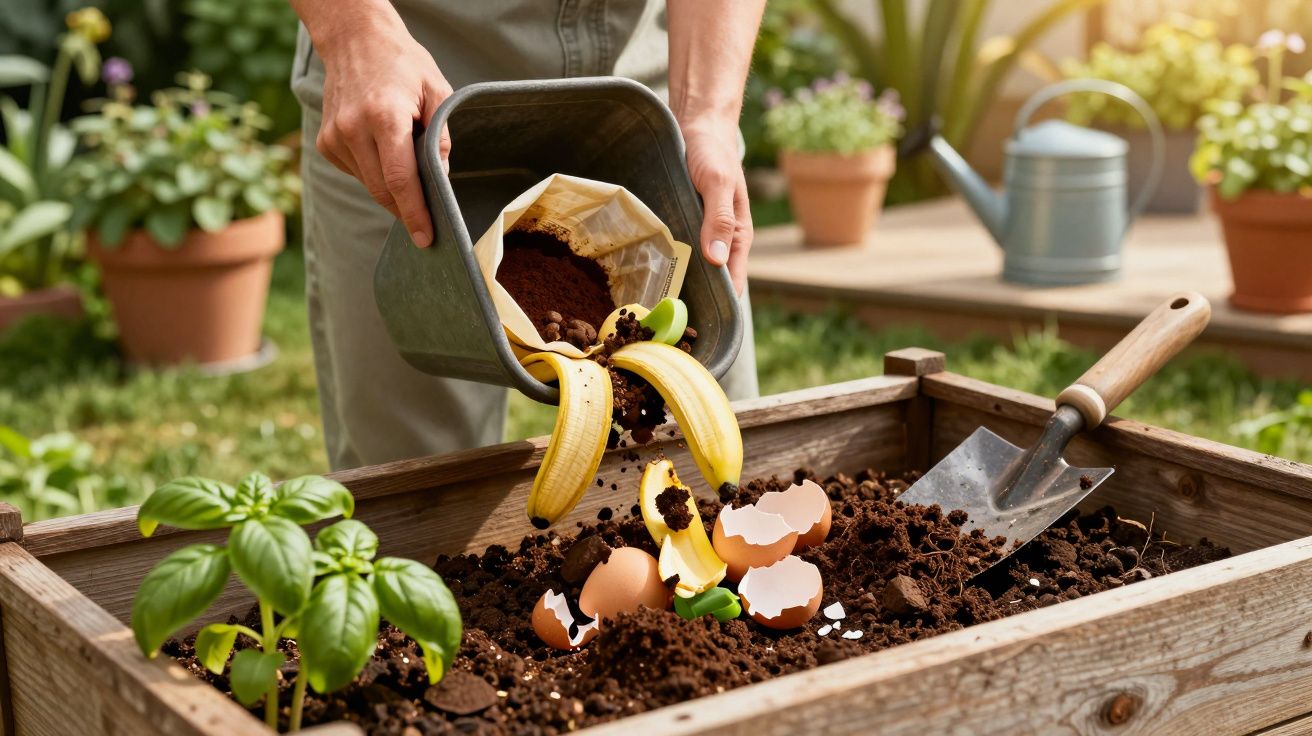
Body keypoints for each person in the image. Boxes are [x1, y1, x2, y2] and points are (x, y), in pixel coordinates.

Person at [289, 0, 764, 470]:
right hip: (408, 90)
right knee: (413, 470)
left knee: (708, 434)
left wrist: (708, 113)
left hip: (648, 97)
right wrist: (355, 32)